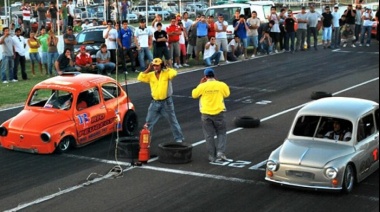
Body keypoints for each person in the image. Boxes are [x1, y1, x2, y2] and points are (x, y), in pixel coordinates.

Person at [137, 58, 185, 143]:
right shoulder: (151, 75)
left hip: (166, 103)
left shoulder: (166, 73)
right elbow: (140, 77)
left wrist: (167, 68)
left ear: (161, 65)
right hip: (154, 103)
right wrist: (148, 69)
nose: (155, 67)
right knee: (148, 123)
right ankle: (146, 141)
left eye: (157, 65)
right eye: (154, 65)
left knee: (173, 121)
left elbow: (174, 73)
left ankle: (179, 139)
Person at [192, 68, 230, 162]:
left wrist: (200, 84)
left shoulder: (202, 86)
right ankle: (220, 152)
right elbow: (227, 94)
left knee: (209, 135)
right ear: (214, 76)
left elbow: (194, 95)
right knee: (221, 133)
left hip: (206, 113)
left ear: (205, 77)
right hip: (219, 112)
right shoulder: (221, 84)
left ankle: (212, 156)